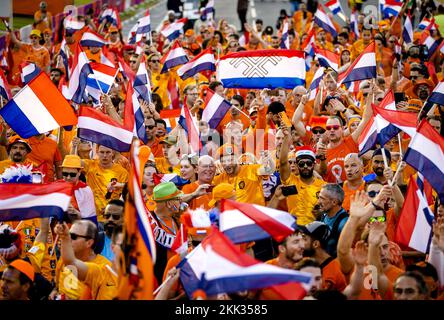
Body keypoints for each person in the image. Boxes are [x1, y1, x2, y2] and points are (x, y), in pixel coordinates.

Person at [54, 222, 117, 300]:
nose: (69, 239)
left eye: (73, 236)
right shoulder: (63, 258)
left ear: (89, 243)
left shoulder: (104, 268)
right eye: (68, 235)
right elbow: (58, 286)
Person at [72, 138, 128, 221]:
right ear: (97, 152)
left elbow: (131, 190)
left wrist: (120, 185)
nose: (105, 155)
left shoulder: (122, 172)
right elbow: (72, 163)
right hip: (91, 215)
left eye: (108, 152)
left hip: (111, 217)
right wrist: (74, 147)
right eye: (102, 152)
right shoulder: (91, 165)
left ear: (112, 153)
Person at [279, 128, 325, 225]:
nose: (305, 166)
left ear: (313, 164)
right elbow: (283, 163)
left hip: (313, 233)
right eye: (301, 164)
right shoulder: (290, 181)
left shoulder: (323, 186)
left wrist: (323, 212)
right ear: (296, 165)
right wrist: (286, 137)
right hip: (294, 231)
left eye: (308, 163)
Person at [299, 221, 347, 291]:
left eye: (304, 239)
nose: (300, 243)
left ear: (315, 244)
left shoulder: (331, 276)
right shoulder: (306, 259)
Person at [151, 182, 183, 284]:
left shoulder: (177, 220)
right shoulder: (150, 223)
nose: (181, 201)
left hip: (177, 278)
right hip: (159, 282)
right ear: (169, 204)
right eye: (178, 199)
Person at [61, 155, 96, 223]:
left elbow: (90, 219)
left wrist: (75, 212)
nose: (68, 177)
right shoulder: (57, 187)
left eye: (72, 174)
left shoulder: (86, 190)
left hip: (78, 228)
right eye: (65, 174)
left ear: (79, 173)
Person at [316, 183, 349, 257]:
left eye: (322, 199)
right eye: (319, 198)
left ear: (334, 202)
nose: (318, 202)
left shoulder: (344, 223)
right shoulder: (322, 215)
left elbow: (345, 251)